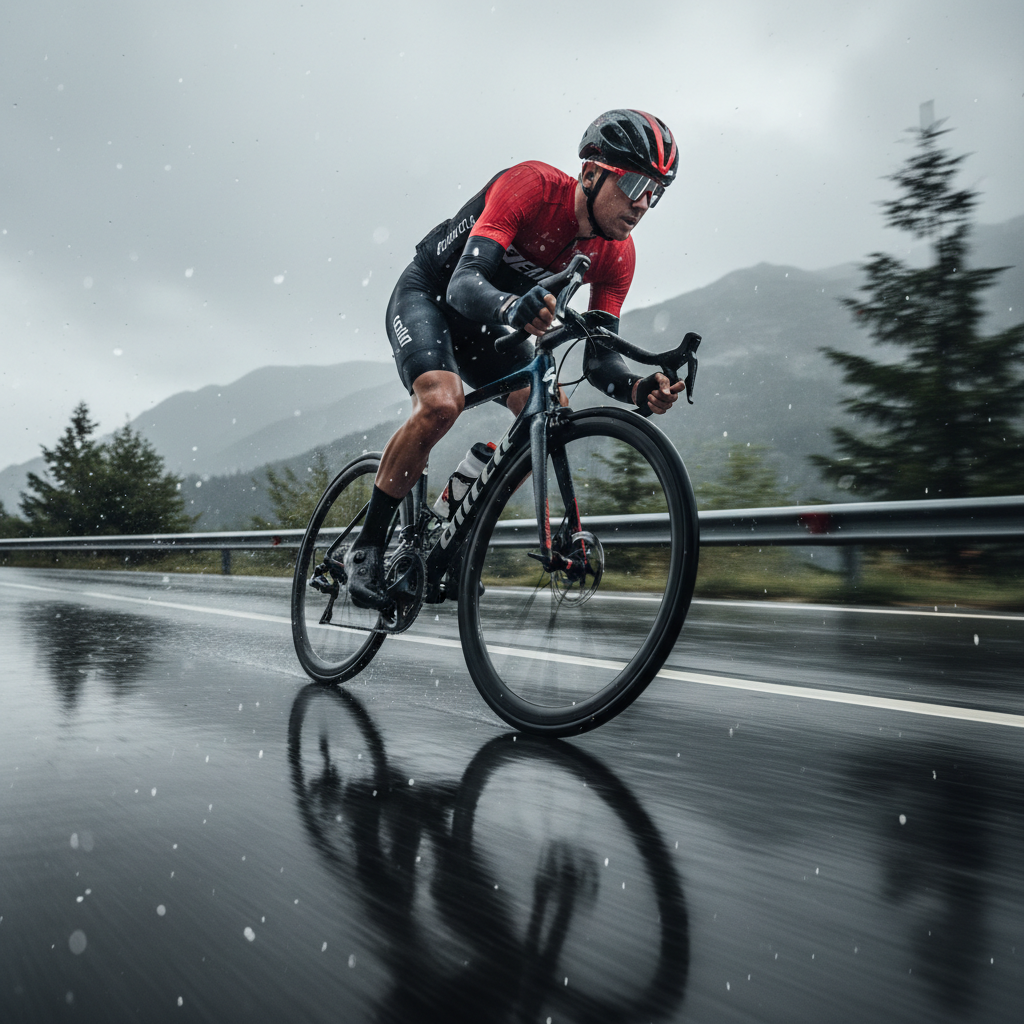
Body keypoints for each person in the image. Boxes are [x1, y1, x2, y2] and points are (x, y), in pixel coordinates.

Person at [341, 109, 686, 609]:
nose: (643, 204)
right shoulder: (531, 187)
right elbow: (463, 284)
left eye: (656, 192)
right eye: (634, 183)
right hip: (431, 296)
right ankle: (367, 547)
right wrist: (511, 306)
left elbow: (599, 361)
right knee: (443, 403)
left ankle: (454, 524)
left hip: (489, 324)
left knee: (546, 412)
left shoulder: (617, 256)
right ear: (591, 173)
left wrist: (638, 388)